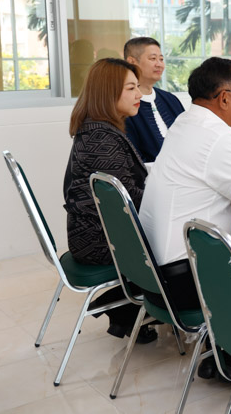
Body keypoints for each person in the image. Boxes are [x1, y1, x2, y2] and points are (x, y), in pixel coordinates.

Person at [140, 56, 231, 379]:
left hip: (153, 271)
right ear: (224, 99)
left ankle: (225, 349)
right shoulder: (217, 138)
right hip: (184, 279)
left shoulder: (186, 122)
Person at [63, 58, 155, 343]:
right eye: (131, 88)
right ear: (108, 93)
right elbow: (128, 202)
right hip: (99, 241)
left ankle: (130, 309)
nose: (139, 94)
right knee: (183, 242)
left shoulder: (99, 130)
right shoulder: (100, 139)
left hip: (95, 233)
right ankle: (140, 309)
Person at [123, 37, 184, 163]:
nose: (159, 64)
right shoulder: (124, 105)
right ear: (131, 62)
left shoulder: (171, 100)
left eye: (161, 59)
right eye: (153, 59)